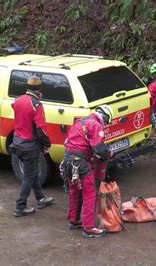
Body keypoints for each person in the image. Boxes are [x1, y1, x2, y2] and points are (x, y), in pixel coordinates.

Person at [63, 105, 114, 238]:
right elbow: (99, 148)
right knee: (90, 193)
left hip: (68, 160)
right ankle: (89, 228)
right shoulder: (96, 125)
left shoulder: (79, 122)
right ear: (104, 117)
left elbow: (68, 142)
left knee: (75, 191)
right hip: (81, 162)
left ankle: (73, 220)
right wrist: (108, 154)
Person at [12, 76, 54, 217]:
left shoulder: (17, 101)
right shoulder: (36, 104)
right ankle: (20, 206)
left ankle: (40, 198)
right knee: (29, 176)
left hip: (17, 143)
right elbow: (41, 129)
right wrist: (46, 144)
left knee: (33, 172)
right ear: (39, 90)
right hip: (29, 146)